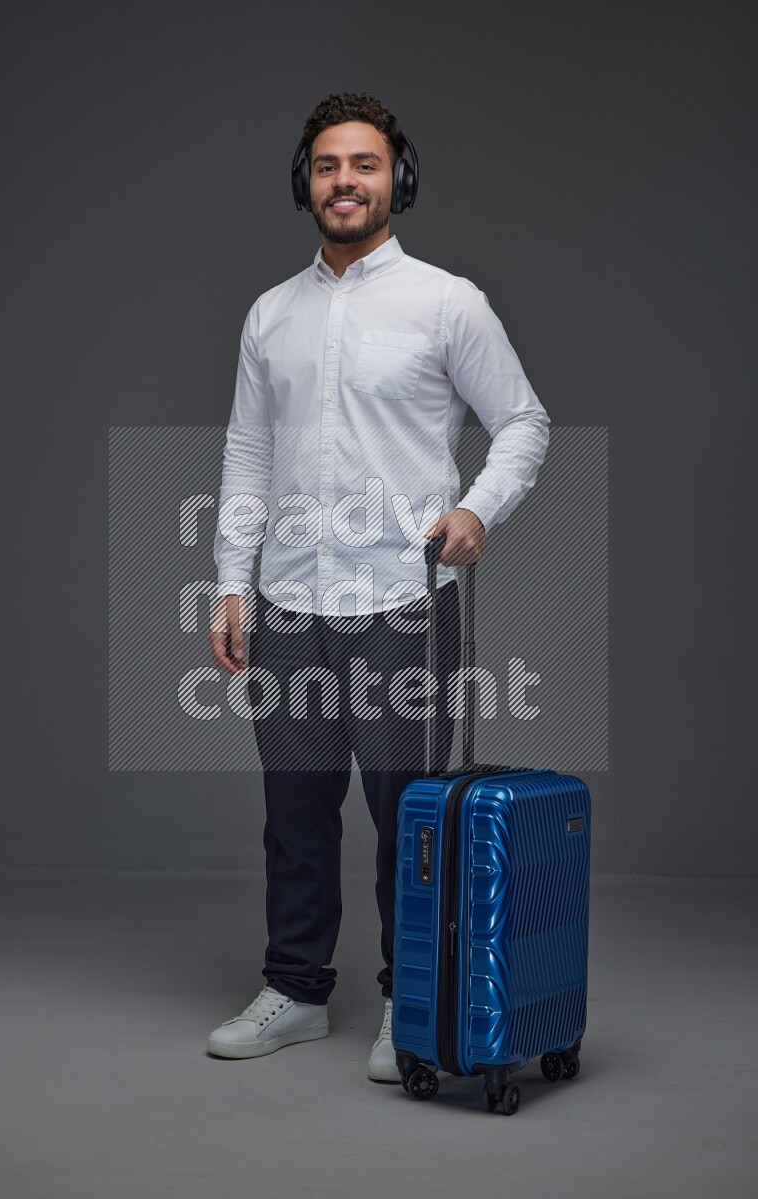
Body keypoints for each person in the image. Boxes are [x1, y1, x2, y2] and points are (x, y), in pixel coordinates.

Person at [206, 92, 550, 1082]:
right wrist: (232, 583)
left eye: (362, 164)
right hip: (288, 603)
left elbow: (521, 420)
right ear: (303, 182)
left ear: (396, 177)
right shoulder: (270, 314)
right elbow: (244, 455)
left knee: (408, 810)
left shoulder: (446, 303)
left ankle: (410, 1000)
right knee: (297, 808)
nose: (343, 181)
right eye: (325, 165)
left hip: (401, 598)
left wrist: (478, 508)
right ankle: (297, 990)